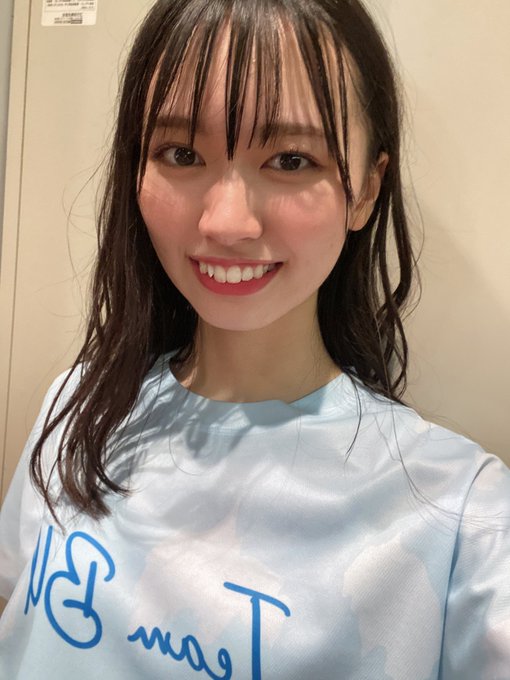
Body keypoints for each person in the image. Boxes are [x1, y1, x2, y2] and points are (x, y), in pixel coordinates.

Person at [0, 0, 508, 677]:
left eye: (291, 160)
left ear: (366, 190)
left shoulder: (461, 512)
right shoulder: (75, 409)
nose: (227, 222)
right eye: (182, 154)